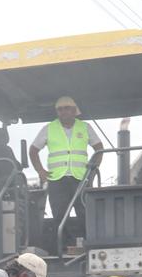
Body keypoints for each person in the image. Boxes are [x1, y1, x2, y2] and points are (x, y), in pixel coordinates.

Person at [28, 97, 112, 244]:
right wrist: (40, 171)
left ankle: (88, 243)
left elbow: (99, 148)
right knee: (59, 214)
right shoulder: (48, 128)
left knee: (85, 212)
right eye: (60, 109)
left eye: (66, 108)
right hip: (57, 179)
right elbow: (33, 150)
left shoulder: (85, 127)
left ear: (74, 110)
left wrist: (93, 170)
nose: (63, 112)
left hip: (80, 178)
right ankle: (67, 245)